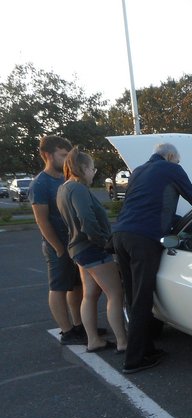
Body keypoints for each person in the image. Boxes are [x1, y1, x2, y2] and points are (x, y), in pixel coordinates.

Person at [112, 142, 192, 374]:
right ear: (171, 156)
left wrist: (183, 221)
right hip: (143, 240)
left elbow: (151, 208)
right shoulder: (171, 169)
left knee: (133, 296)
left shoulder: (139, 171)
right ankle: (133, 360)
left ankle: (147, 349)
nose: (178, 164)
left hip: (121, 235)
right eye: (178, 161)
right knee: (143, 299)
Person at [56, 148, 127, 354]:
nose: (94, 172)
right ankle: (123, 341)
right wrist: (105, 242)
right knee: (115, 293)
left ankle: (93, 340)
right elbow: (87, 220)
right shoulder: (78, 189)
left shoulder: (63, 189)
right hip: (93, 249)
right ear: (84, 168)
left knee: (90, 295)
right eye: (93, 168)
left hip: (78, 250)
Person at [29, 135, 93, 344]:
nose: (67, 159)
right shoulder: (40, 183)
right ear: (47, 155)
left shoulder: (66, 179)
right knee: (58, 287)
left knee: (76, 286)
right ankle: (67, 332)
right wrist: (58, 248)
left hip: (75, 244)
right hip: (58, 246)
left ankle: (78, 325)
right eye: (62, 155)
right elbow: (42, 220)